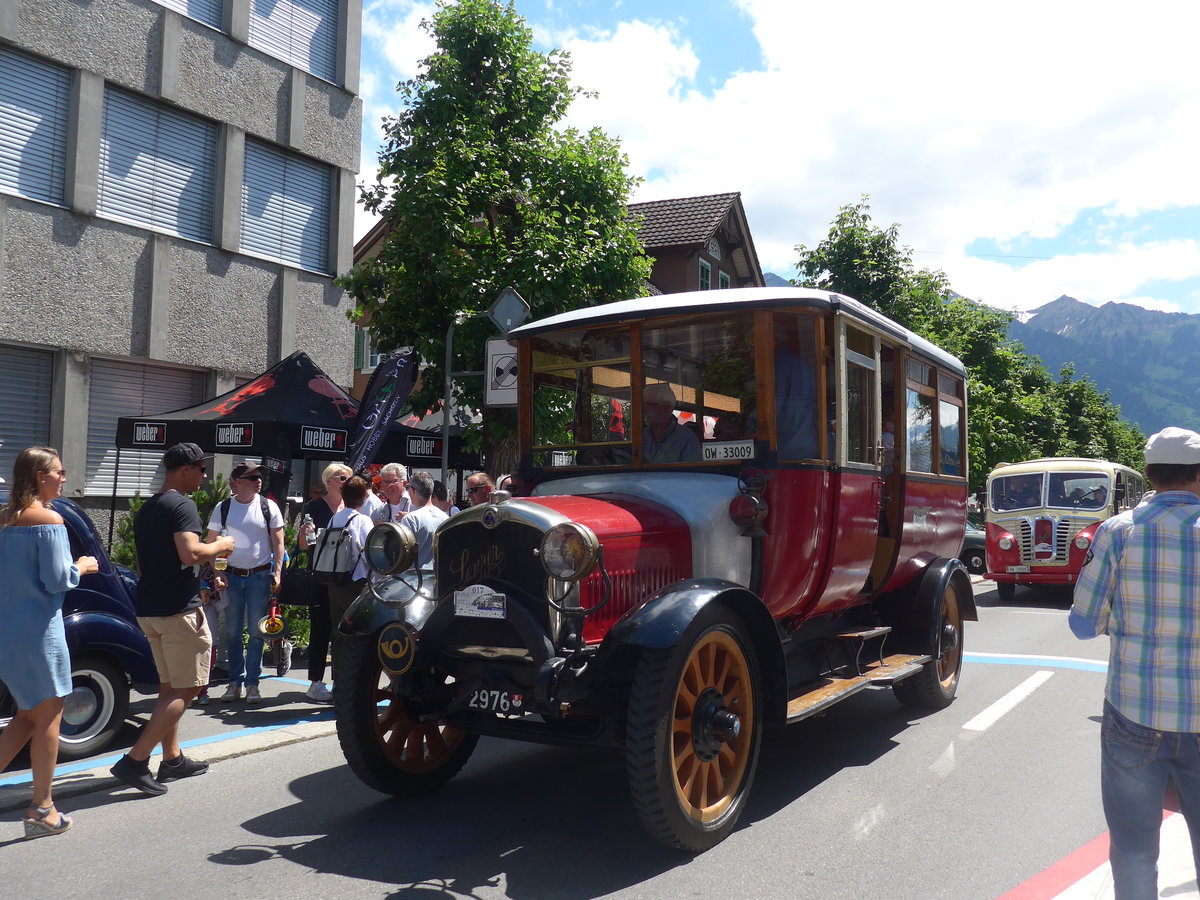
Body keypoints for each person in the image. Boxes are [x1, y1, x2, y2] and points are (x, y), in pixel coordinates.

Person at [1069, 426, 1200, 898]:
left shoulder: (1117, 532)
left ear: (1149, 474)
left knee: (1134, 849)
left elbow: (1082, 624)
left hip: (1133, 714)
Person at [110, 442, 234, 796]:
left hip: (150, 608)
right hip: (179, 610)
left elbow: (141, 565)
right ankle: (135, 761)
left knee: (170, 685)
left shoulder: (148, 509)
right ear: (185, 469)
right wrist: (221, 547)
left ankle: (173, 758)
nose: (205, 476)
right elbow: (191, 552)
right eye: (201, 469)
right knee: (188, 687)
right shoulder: (183, 505)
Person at [0, 447, 98, 838]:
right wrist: (82, 566)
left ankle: (42, 807)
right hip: (40, 631)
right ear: (41, 477)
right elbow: (58, 579)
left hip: (9, 632)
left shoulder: (5, 520)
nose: (64, 477)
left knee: (26, 717)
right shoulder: (49, 519)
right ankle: (42, 808)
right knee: (47, 719)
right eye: (59, 471)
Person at [206, 462, 285, 705]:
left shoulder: (267, 506)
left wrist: (278, 572)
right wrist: (217, 572)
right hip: (231, 577)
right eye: (252, 477)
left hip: (260, 576)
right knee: (232, 632)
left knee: (255, 632)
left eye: (259, 476)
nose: (258, 481)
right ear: (237, 481)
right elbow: (212, 543)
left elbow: (279, 543)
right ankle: (234, 682)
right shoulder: (224, 507)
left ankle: (252, 684)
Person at [296, 463, 351, 703]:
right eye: (342, 477)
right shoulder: (314, 506)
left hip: (344, 575)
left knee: (343, 629)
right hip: (320, 573)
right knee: (320, 628)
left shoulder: (350, 507)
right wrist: (306, 533)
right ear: (329, 480)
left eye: (349, 478)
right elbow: (303, 545)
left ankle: (341, 679)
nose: (346, 481)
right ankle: (316, 682)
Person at [324, 476, 372, 681]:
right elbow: (370, 552)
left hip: (335, 580)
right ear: (362, 498)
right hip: (356, 582)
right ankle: (355, 683)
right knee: (358, 633)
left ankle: (338, 681)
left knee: (338, 633)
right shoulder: (363, 520)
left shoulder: (335, 518)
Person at [642, 382, 701, 463]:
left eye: (648, 405)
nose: (644, 410)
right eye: (642, 405)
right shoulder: (641, 437)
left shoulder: (687, 439)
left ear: (665, 407)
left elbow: (693, 474)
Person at [400, 471, 448, 569]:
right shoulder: (445, 517)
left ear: (412, 490)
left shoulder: (410, 519)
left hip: (415, 577)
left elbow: (403, 553)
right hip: (437, 576)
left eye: (409, 489)